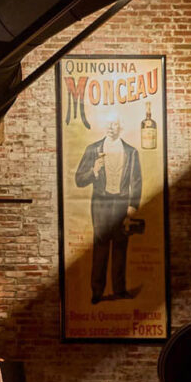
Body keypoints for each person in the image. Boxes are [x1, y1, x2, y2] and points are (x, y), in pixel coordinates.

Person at [74, 111, 143, 304]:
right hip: (101, 204)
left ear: (120, 127)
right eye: (108, 124)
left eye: (115, 124)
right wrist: (94, 170)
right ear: (104, 127)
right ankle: (97, 292)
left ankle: (119, 290)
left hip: (121, 203)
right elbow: (79, 180)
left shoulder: (131, 152)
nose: (111, 128)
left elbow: (136, 181)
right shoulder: (92, 149)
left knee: (121, 246)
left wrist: (132, 206)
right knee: (101, 247)